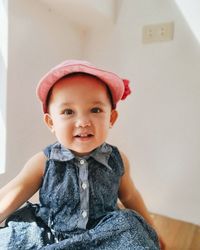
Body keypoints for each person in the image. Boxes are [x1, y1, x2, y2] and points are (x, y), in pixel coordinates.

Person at [0, 60, 165, 249]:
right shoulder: (44, 162)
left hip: (104, 237)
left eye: (95, 110)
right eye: (68, 111)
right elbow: (9, 196)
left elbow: (130, 196)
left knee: (130, 227)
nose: (83, 122)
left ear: (111, 118)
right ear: (51, 122)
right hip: (52, 235)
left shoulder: (117, 160)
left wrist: (152, 229)